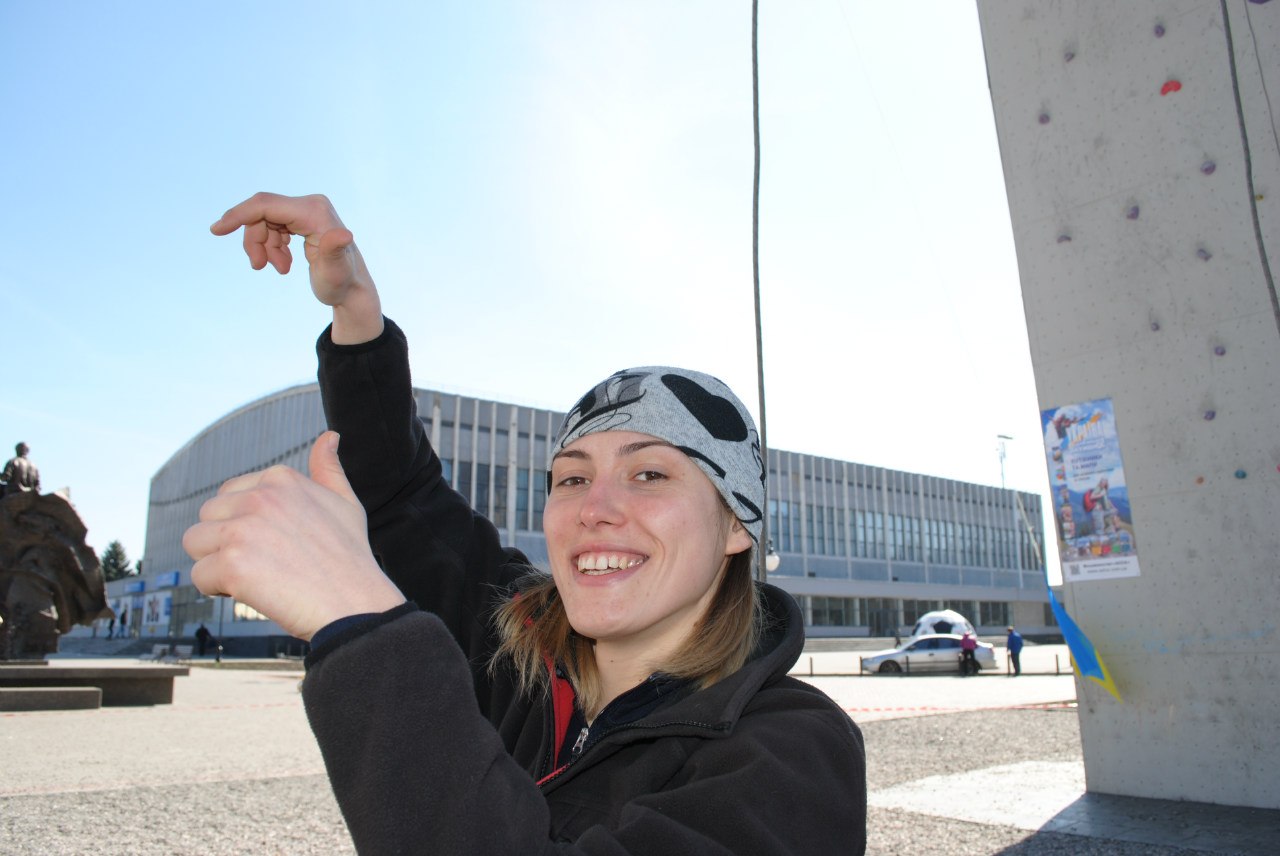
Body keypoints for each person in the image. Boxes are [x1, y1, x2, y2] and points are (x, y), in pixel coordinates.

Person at [184, 192, 867, 854]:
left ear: (735, 527)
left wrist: (362, 624)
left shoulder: (793, 751)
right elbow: (403, 497)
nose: (594, 509)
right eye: (571, 478)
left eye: (649, 474)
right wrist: (356, 311)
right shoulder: (516, 648)